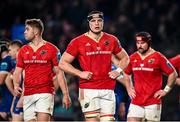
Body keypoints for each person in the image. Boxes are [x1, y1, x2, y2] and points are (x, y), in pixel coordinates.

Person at [59, 10, 129, 121]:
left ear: (103, 22)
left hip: (108, 89)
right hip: (88, 89)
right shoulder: (78, 41)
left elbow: (125, 58)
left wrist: (118, 70)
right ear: (89, 23)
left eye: (99, 20)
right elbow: (62, 63)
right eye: (93, 21)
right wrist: (80, 73)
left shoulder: (112, 40)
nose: (97, 23)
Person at [13, 18, 71, 121]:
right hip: (28, 94)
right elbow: (17, 71)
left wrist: (65, 94)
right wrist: (16, 85)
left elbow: (59, 73)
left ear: (35, 32)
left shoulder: (52, 49)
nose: (24, 32)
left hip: (45, 93)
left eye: (27, 29)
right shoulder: (23, 50)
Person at [124, 31, 177, 121]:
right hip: (136, 101)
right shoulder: (133, 57)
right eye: (138, 43)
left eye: (142, 43)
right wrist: (129, 88)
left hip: (153, 102)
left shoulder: (158, 57)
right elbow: (126, 73)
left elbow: (173, 73)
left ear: (148, 42)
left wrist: (165, 91)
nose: (139, 45)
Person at [5, 40, 24, 121]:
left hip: (25, 98)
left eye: (10, 50)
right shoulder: (15, 63)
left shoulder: (25, 62)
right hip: (20, 97)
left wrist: (21, 99)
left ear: (17, 50)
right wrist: (14, 98)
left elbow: (27, 83)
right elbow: (8, 79)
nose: (8, 53)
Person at [0, 41, 14, 120]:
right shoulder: (12, 59)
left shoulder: (5, 61)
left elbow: (1, 80)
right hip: (9, 96)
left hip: (9, 97)